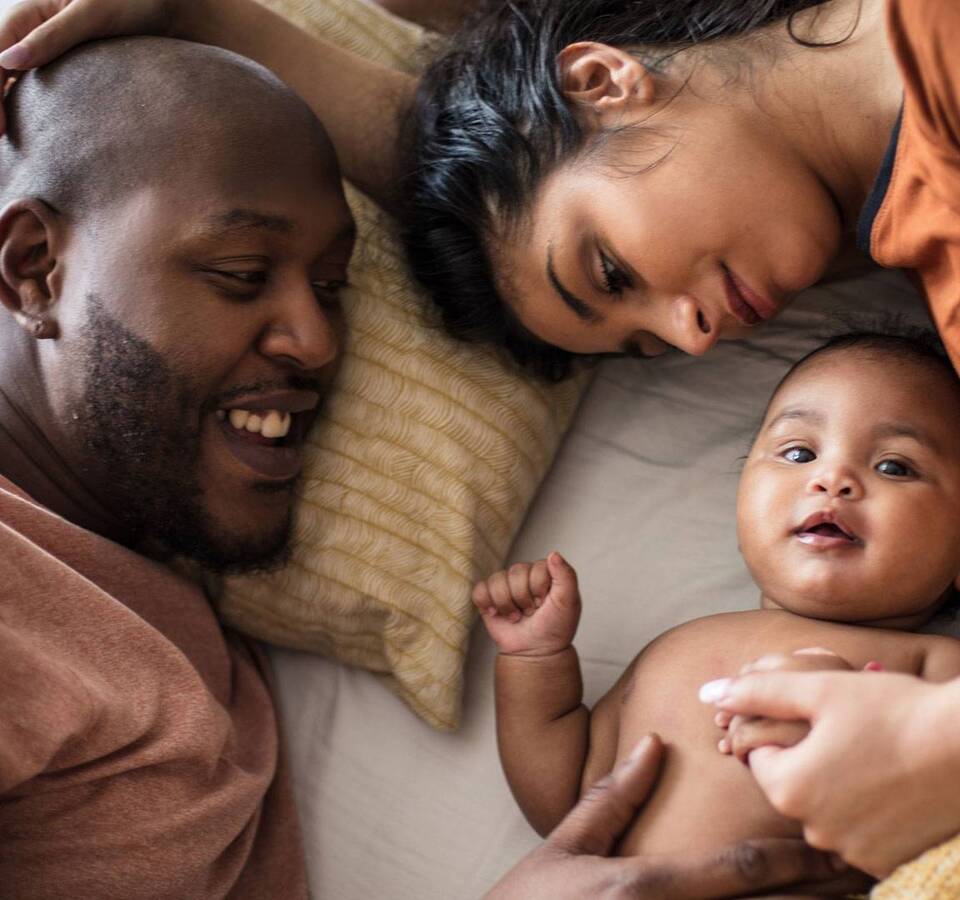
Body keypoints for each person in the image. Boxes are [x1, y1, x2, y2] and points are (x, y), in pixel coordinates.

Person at [3, 0, 960, 883]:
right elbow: (505, 152)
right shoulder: (878, 206)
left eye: (612, 274)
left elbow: (556, 136)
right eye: (633, 342)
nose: (683, 333)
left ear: (611, 78)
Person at [0, 34, 823, 900]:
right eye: (242, 272)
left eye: (330, 288)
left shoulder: (148, 604)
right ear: (33, 271)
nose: (318, 343)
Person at [472, 334, 960, 888]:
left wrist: (845, 746)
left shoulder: (941, 668)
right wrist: (535, 661)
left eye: (894, 466)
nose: (832, 479)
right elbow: (567, 805)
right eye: (799, 453)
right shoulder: (675, 650)